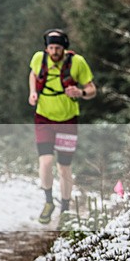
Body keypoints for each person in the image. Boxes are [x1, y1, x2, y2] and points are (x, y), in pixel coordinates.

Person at [28, 29, 96, 225]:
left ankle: (65, 208)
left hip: (67, 120)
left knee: (64, 167)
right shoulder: (39, 59)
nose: (54, 52)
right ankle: (49, 201)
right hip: (44, 118)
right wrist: (33, 92)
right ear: (46, 48)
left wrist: (81, 92)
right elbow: (33, 74)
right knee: (46, 161)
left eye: (58, 48)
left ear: (64, 48)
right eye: (51, 47)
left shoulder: (77, 63)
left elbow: (92, 89)